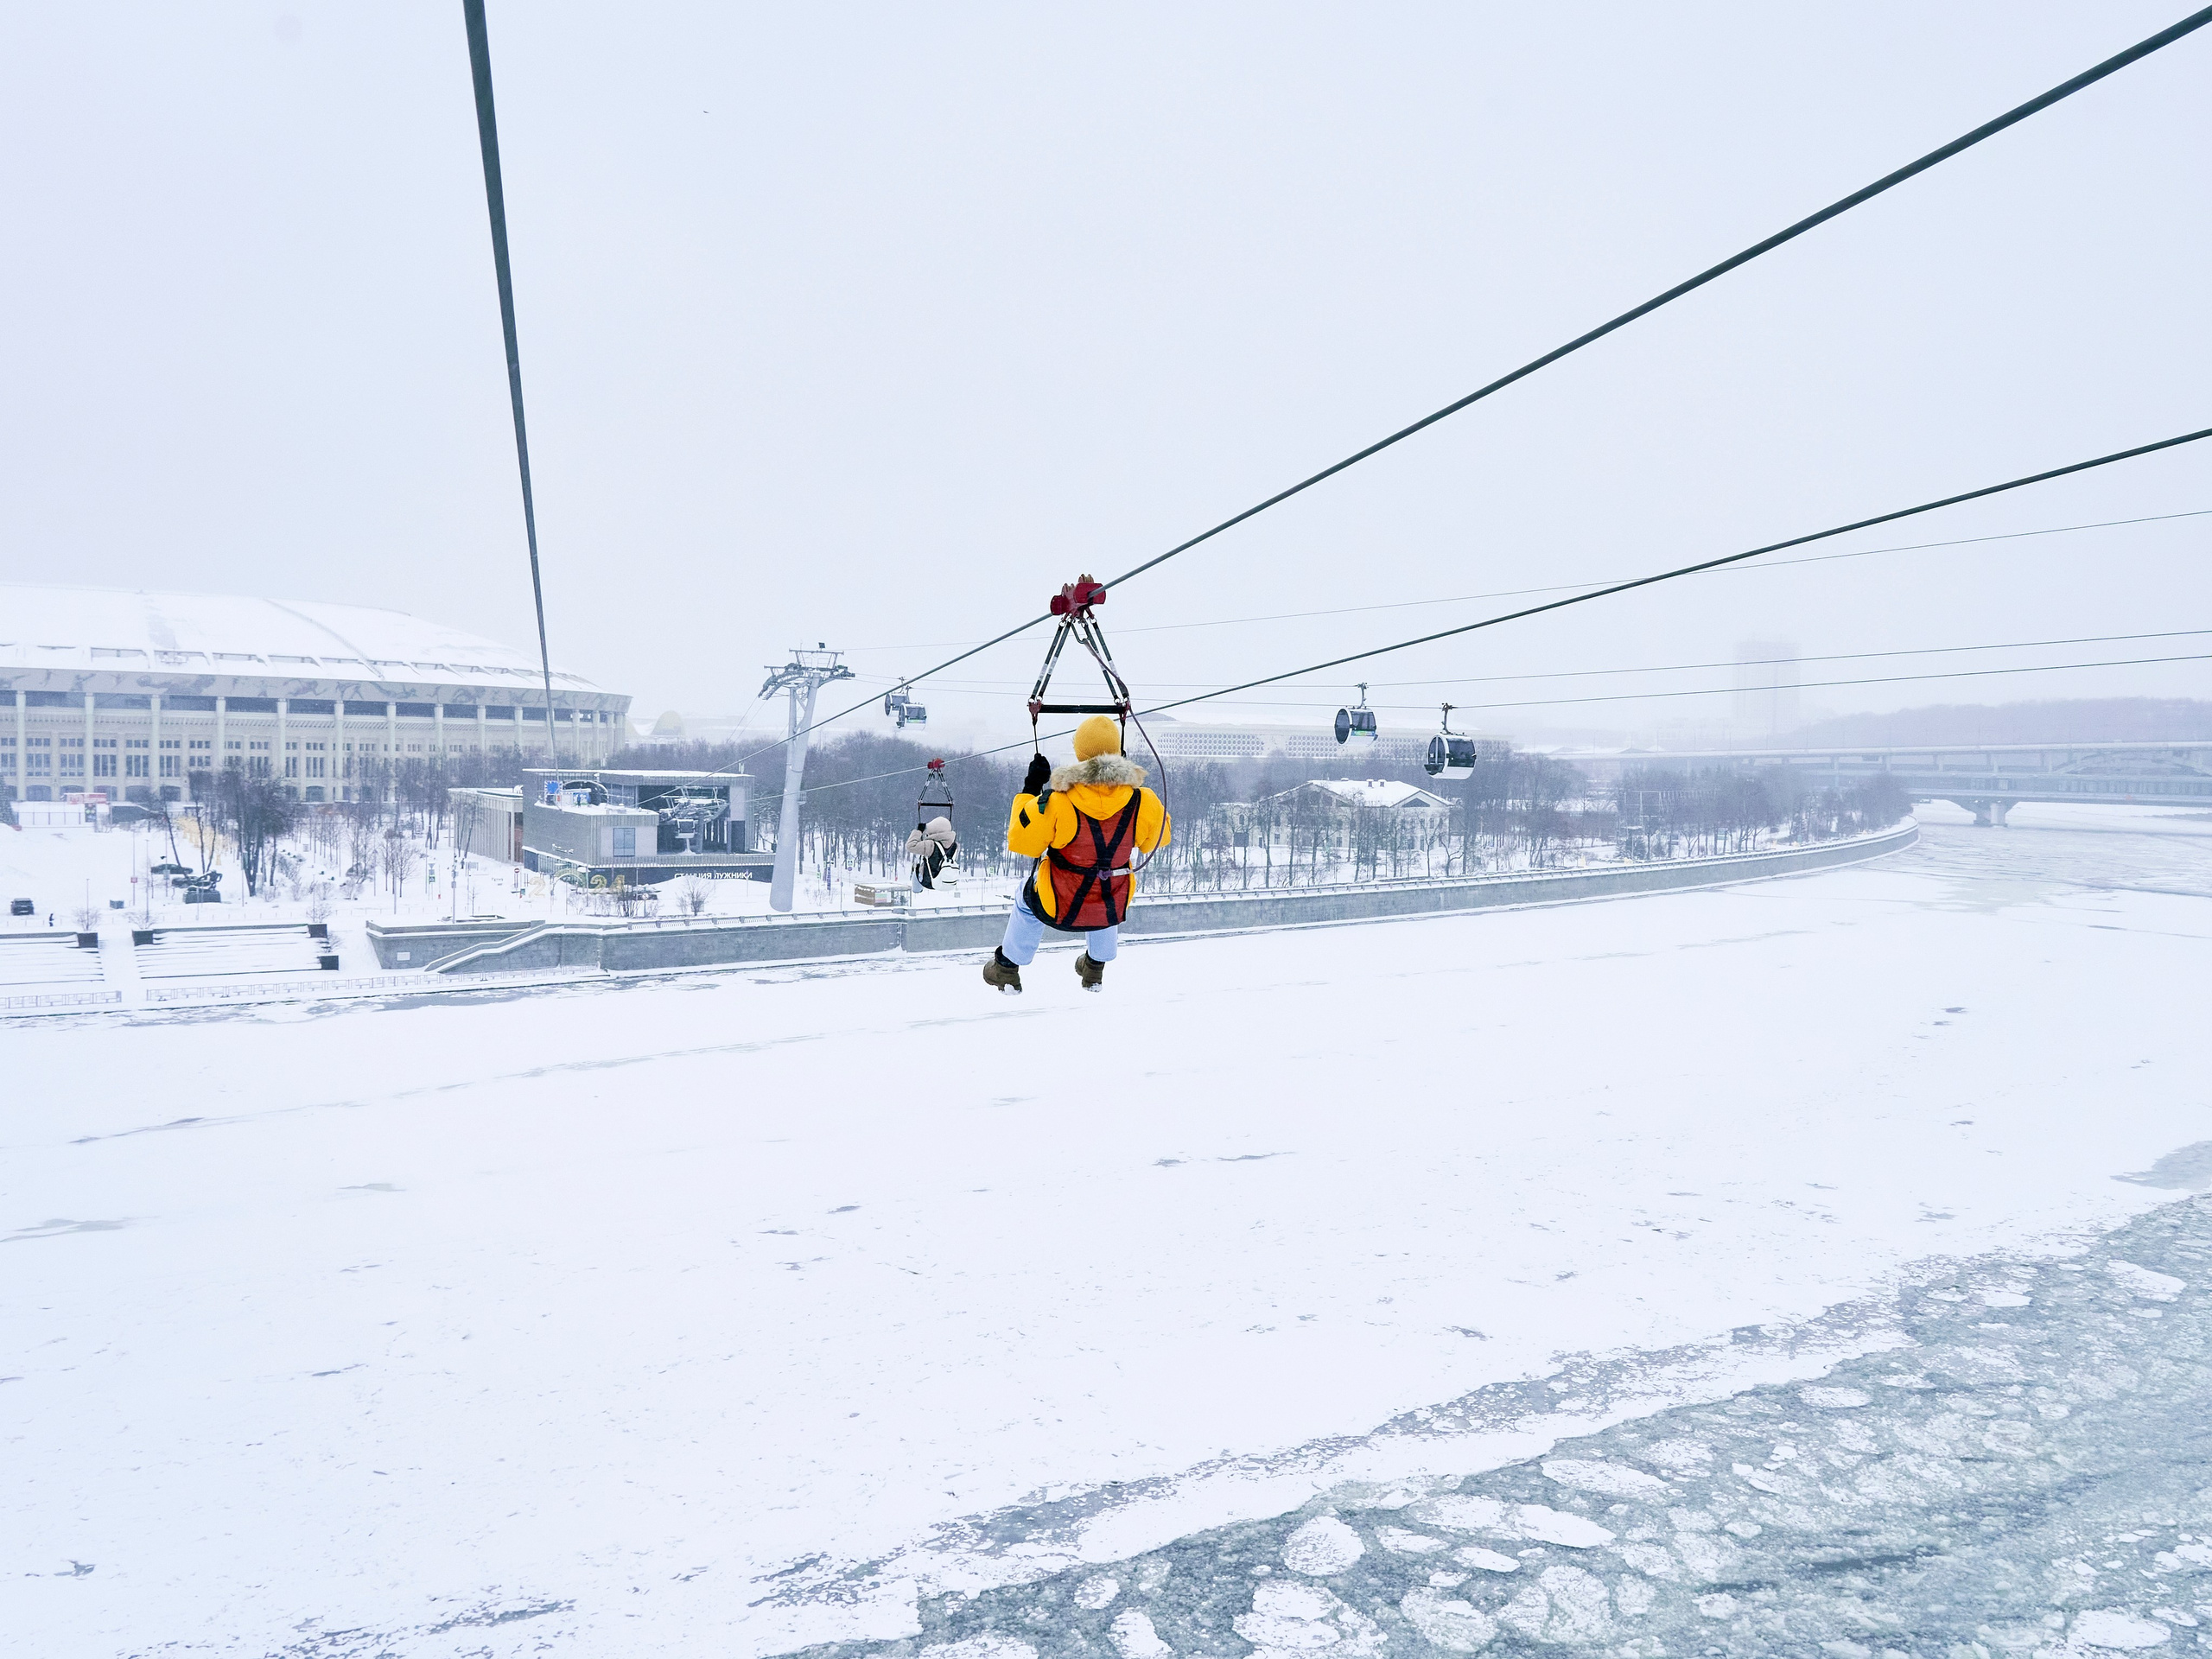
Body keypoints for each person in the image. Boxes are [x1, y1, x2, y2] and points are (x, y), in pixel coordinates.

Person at [985, 715, 1169, 994]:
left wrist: (1030, 789)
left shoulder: (1058, 801)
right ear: (1118, 754)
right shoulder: (1143, 801)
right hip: (1109, 904)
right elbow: (1159, 839)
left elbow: (1022, 841)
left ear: (1079, 754)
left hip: (1058, 903)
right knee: (1107, 887)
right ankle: (1094, 968)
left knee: (1026, 896)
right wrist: (1126, 787)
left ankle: (1007, 968)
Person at [906, 815, 958, 890]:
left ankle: (916, 890)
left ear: (935, 832)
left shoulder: (930, 845)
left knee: (916, 868)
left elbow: (910, 846)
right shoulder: (955, 846)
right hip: (945, 880)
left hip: (929, 881)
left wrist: (919, 831)